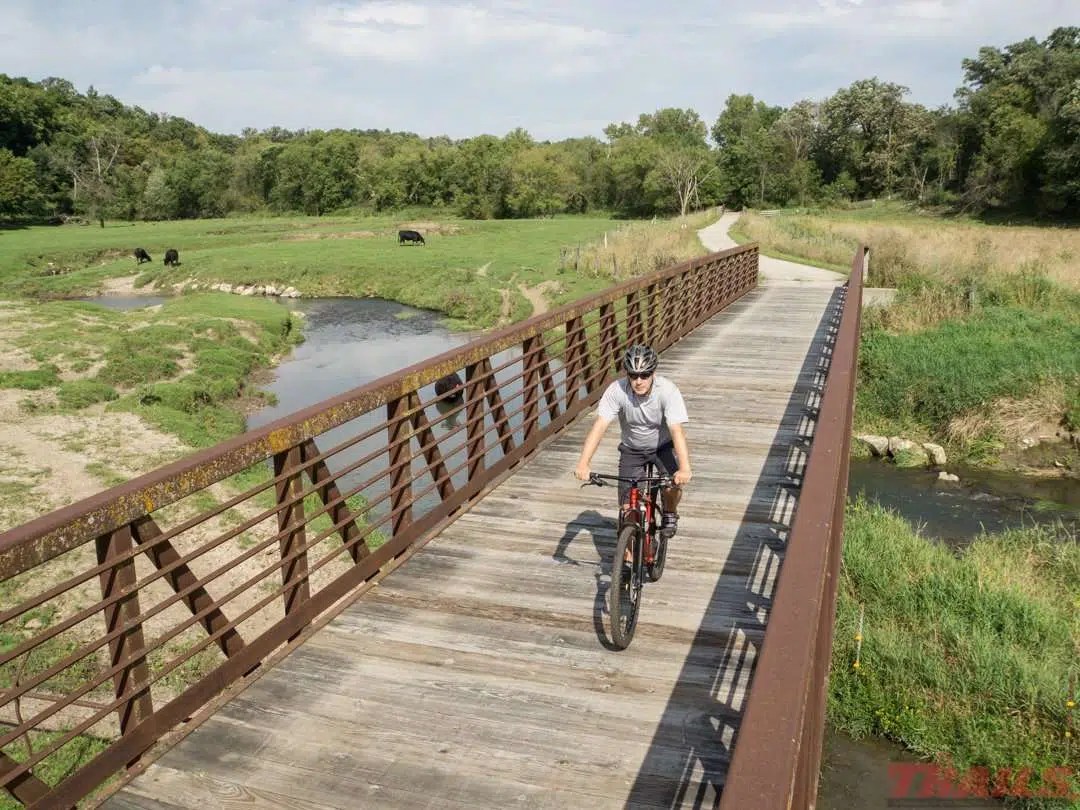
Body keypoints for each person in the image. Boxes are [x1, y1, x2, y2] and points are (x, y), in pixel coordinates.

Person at [574, 344, 692, 540]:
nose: (638, 381)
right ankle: (627, 563)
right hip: (632, 449)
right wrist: (583, 463)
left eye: (644, 375)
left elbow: (677, 430)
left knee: (671, 486)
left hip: (662, 446)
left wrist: (685, 468)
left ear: (653, 372)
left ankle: (670, 513)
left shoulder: (668, 391)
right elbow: (599, 426)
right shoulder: (617, 390)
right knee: (628, 511)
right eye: (633, 375)